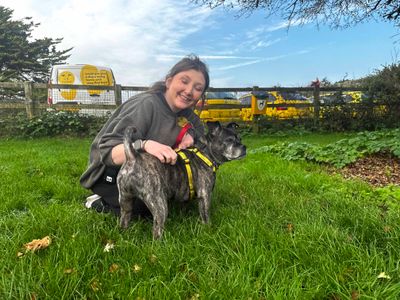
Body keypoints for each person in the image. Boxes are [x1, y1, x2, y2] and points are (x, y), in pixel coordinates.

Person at [80, 55, 210, 216]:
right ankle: (100, 200)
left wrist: (190, 134)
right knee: (147, 206)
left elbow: (202, 135)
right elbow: (108, 152)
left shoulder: (188, 115)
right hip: (109, 171)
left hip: (148, 171)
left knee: (175, 193)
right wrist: (145, 145)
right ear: (169, 81)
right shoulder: (146, 104)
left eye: (198, 88)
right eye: (184, 81)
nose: (189, 91)